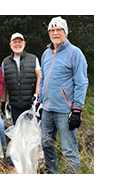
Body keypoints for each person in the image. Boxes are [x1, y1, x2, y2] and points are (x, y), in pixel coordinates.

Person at [38, 16, 88, 174]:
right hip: (47, 110)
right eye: (51, 30)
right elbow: (43, 79)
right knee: (46, 145)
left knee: (69, 150)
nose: (55, 33)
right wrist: (40, 102)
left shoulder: (75, 53)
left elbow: (82, 82)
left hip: (65, 111)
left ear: (65, 31)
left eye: (58, 29)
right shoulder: (46, 54)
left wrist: (77, 109)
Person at [1, 32, 41, 125]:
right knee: (17, 133)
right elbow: (3, 83)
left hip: (31, 105)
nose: (17, 44)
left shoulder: (33, 59)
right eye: (15, 42)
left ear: (24, 43)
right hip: (15, 105)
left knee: (32, 133)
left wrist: (37, 94)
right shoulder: (5, 62)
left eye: (20, 41)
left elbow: (40, 76)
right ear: (10, 44)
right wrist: (3, 101)